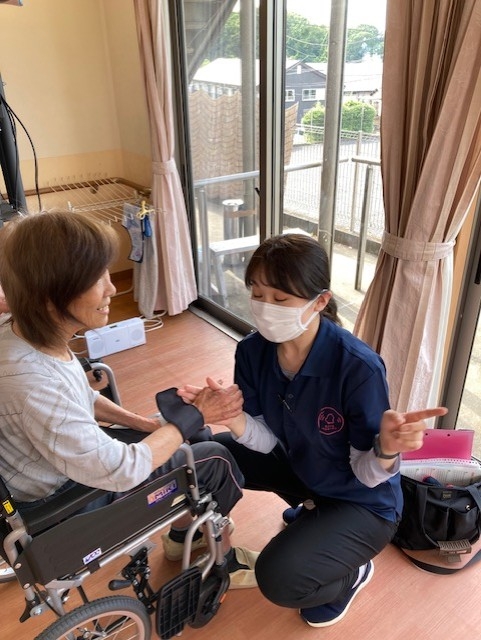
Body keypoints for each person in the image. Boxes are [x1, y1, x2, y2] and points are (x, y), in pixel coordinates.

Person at [178, 233, 447, 626]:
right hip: (306, 468)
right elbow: (265, 440)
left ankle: (352, 573)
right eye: (257, 294)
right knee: (208, 457)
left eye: (280, 299)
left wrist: (387, 449)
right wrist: (231, 416)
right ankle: (308, 515)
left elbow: (367, 474)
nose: (265, 308)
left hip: (363, 501)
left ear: (320, 302)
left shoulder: (357, 367)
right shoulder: (252, 351)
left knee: (279, 578)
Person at [0, 211, 258, 589]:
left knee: (194, 437)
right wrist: (193, 415)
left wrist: (148, 424)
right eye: (96, 278)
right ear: (50, 295)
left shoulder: (21, 332)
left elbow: (80, 397)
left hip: (60, 469)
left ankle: (179, 537)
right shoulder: (32, 384)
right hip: (69, 507)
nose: (111, 288)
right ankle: (224, 561)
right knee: (215, 459)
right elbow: (123, 469)